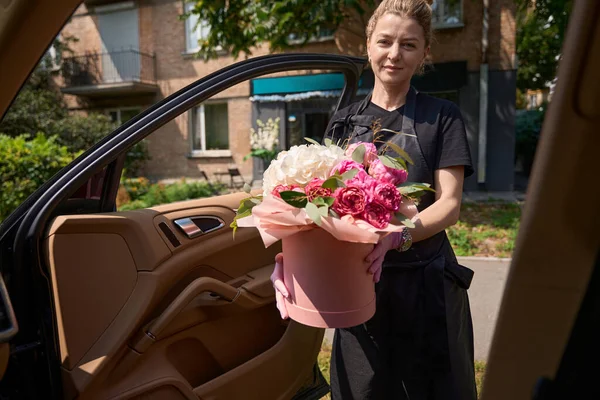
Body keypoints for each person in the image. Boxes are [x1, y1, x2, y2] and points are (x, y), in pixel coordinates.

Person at [271, 0, 477, 398]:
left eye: (409, 45)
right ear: (368, 45)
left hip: (426, 286)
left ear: (425, 53)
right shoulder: (344, 120)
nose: (394, 54)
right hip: (358, 285)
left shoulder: (443, 117)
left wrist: (396, 236)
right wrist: (293, 256)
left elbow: (449, 205)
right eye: (385, 41)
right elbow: (322, 206)